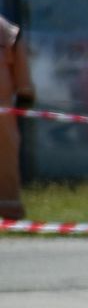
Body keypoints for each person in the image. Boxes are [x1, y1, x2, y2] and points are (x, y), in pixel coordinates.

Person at [0, 13, 35, 220]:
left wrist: (24, 92)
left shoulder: (5, 30)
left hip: (3, 110)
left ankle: (9, 211)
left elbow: (19, 58)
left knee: (5, 160)